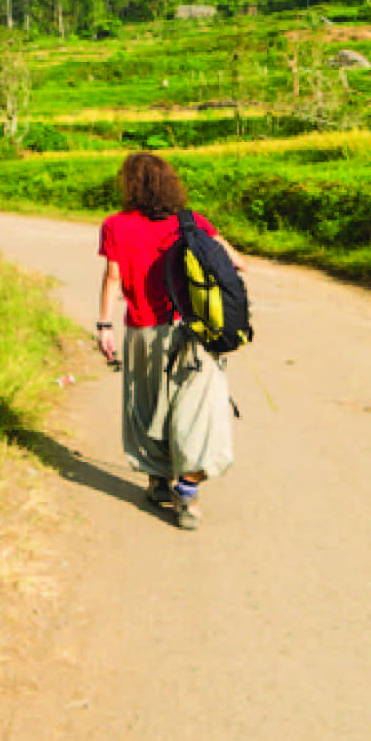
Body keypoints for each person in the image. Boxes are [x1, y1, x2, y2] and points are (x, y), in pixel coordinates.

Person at [96, 151, 235, 530]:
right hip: (194, 333)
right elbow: (235, 264)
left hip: (144, 331)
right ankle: (187, 491)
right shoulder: (192, 222)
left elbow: (113, 277)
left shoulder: (115, 226)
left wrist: (104, 326)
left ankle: (158, 481)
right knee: (198, 409)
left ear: (130, 185)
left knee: (147, 407)